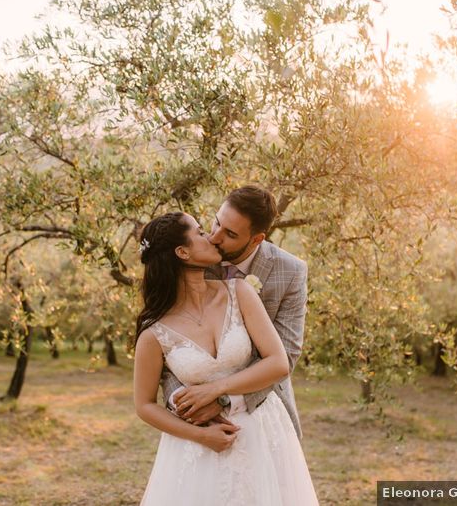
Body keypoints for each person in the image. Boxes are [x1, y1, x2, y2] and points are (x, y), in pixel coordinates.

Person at [133, 208, 318, 504]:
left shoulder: (239, 291)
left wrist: (216, 390)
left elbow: (278, 362)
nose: (212, 237)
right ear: (182, 252)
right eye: (200, 232)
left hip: (261, 431)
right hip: (201, 447)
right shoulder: (154, 333)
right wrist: (201, 436)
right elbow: (144, 405)